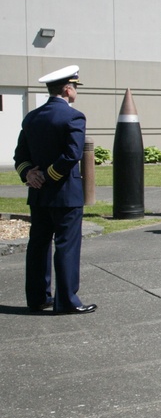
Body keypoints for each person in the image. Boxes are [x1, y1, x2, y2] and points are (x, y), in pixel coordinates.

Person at [13, 65, 97, 314]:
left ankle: (38, 298)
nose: (76, 92)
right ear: (68, 89)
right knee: (66, 245)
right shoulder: (74, 117)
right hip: (64, 193)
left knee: (38, 245)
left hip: (38, 194)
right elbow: (72, 154)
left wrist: (31, 175)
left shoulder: (32, 117)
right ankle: (67, 301)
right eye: (75, 87)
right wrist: (49, 176)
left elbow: (20, 156)